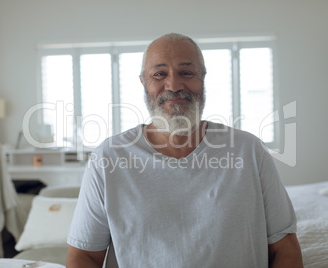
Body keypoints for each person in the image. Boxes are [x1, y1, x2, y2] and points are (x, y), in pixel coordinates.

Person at [66, 33, 303, 268]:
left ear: (202, 78)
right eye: (159, 74)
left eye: (186, 73)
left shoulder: (249, 151)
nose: (174, 85)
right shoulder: (108, 157)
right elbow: (83, 256)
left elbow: (285, 248)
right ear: (143, 82)